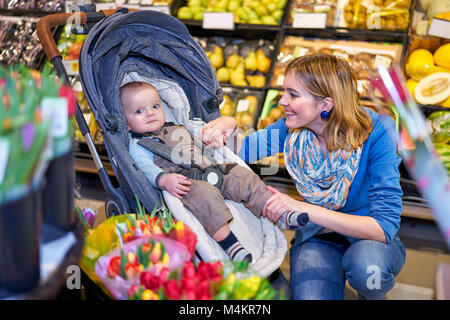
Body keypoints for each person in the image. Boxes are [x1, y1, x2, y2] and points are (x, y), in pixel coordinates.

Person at [203, 53, 406, 300]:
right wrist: (228, 124)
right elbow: (240, 150)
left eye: (293, 94)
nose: (281, 101)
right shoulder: (292, 129)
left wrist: (305, 209)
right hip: (317, 237)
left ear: (325, 104)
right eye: (283, 92)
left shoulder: (377, 131)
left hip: (368, 237)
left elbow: (384, 227)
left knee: (368, 273)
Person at [120, 81, 309, 264]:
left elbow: (201, 140)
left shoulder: (178, 126)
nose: (150, 113)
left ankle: (277, 210)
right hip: (187, 182)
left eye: (155, 105)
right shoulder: (138, 146)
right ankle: (231, 245)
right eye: (139, 111)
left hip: (211, 168)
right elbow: (145, 168)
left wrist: (214, 136)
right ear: (126, 123)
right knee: (205, 198)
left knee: (243, 176)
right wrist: (163, 179)